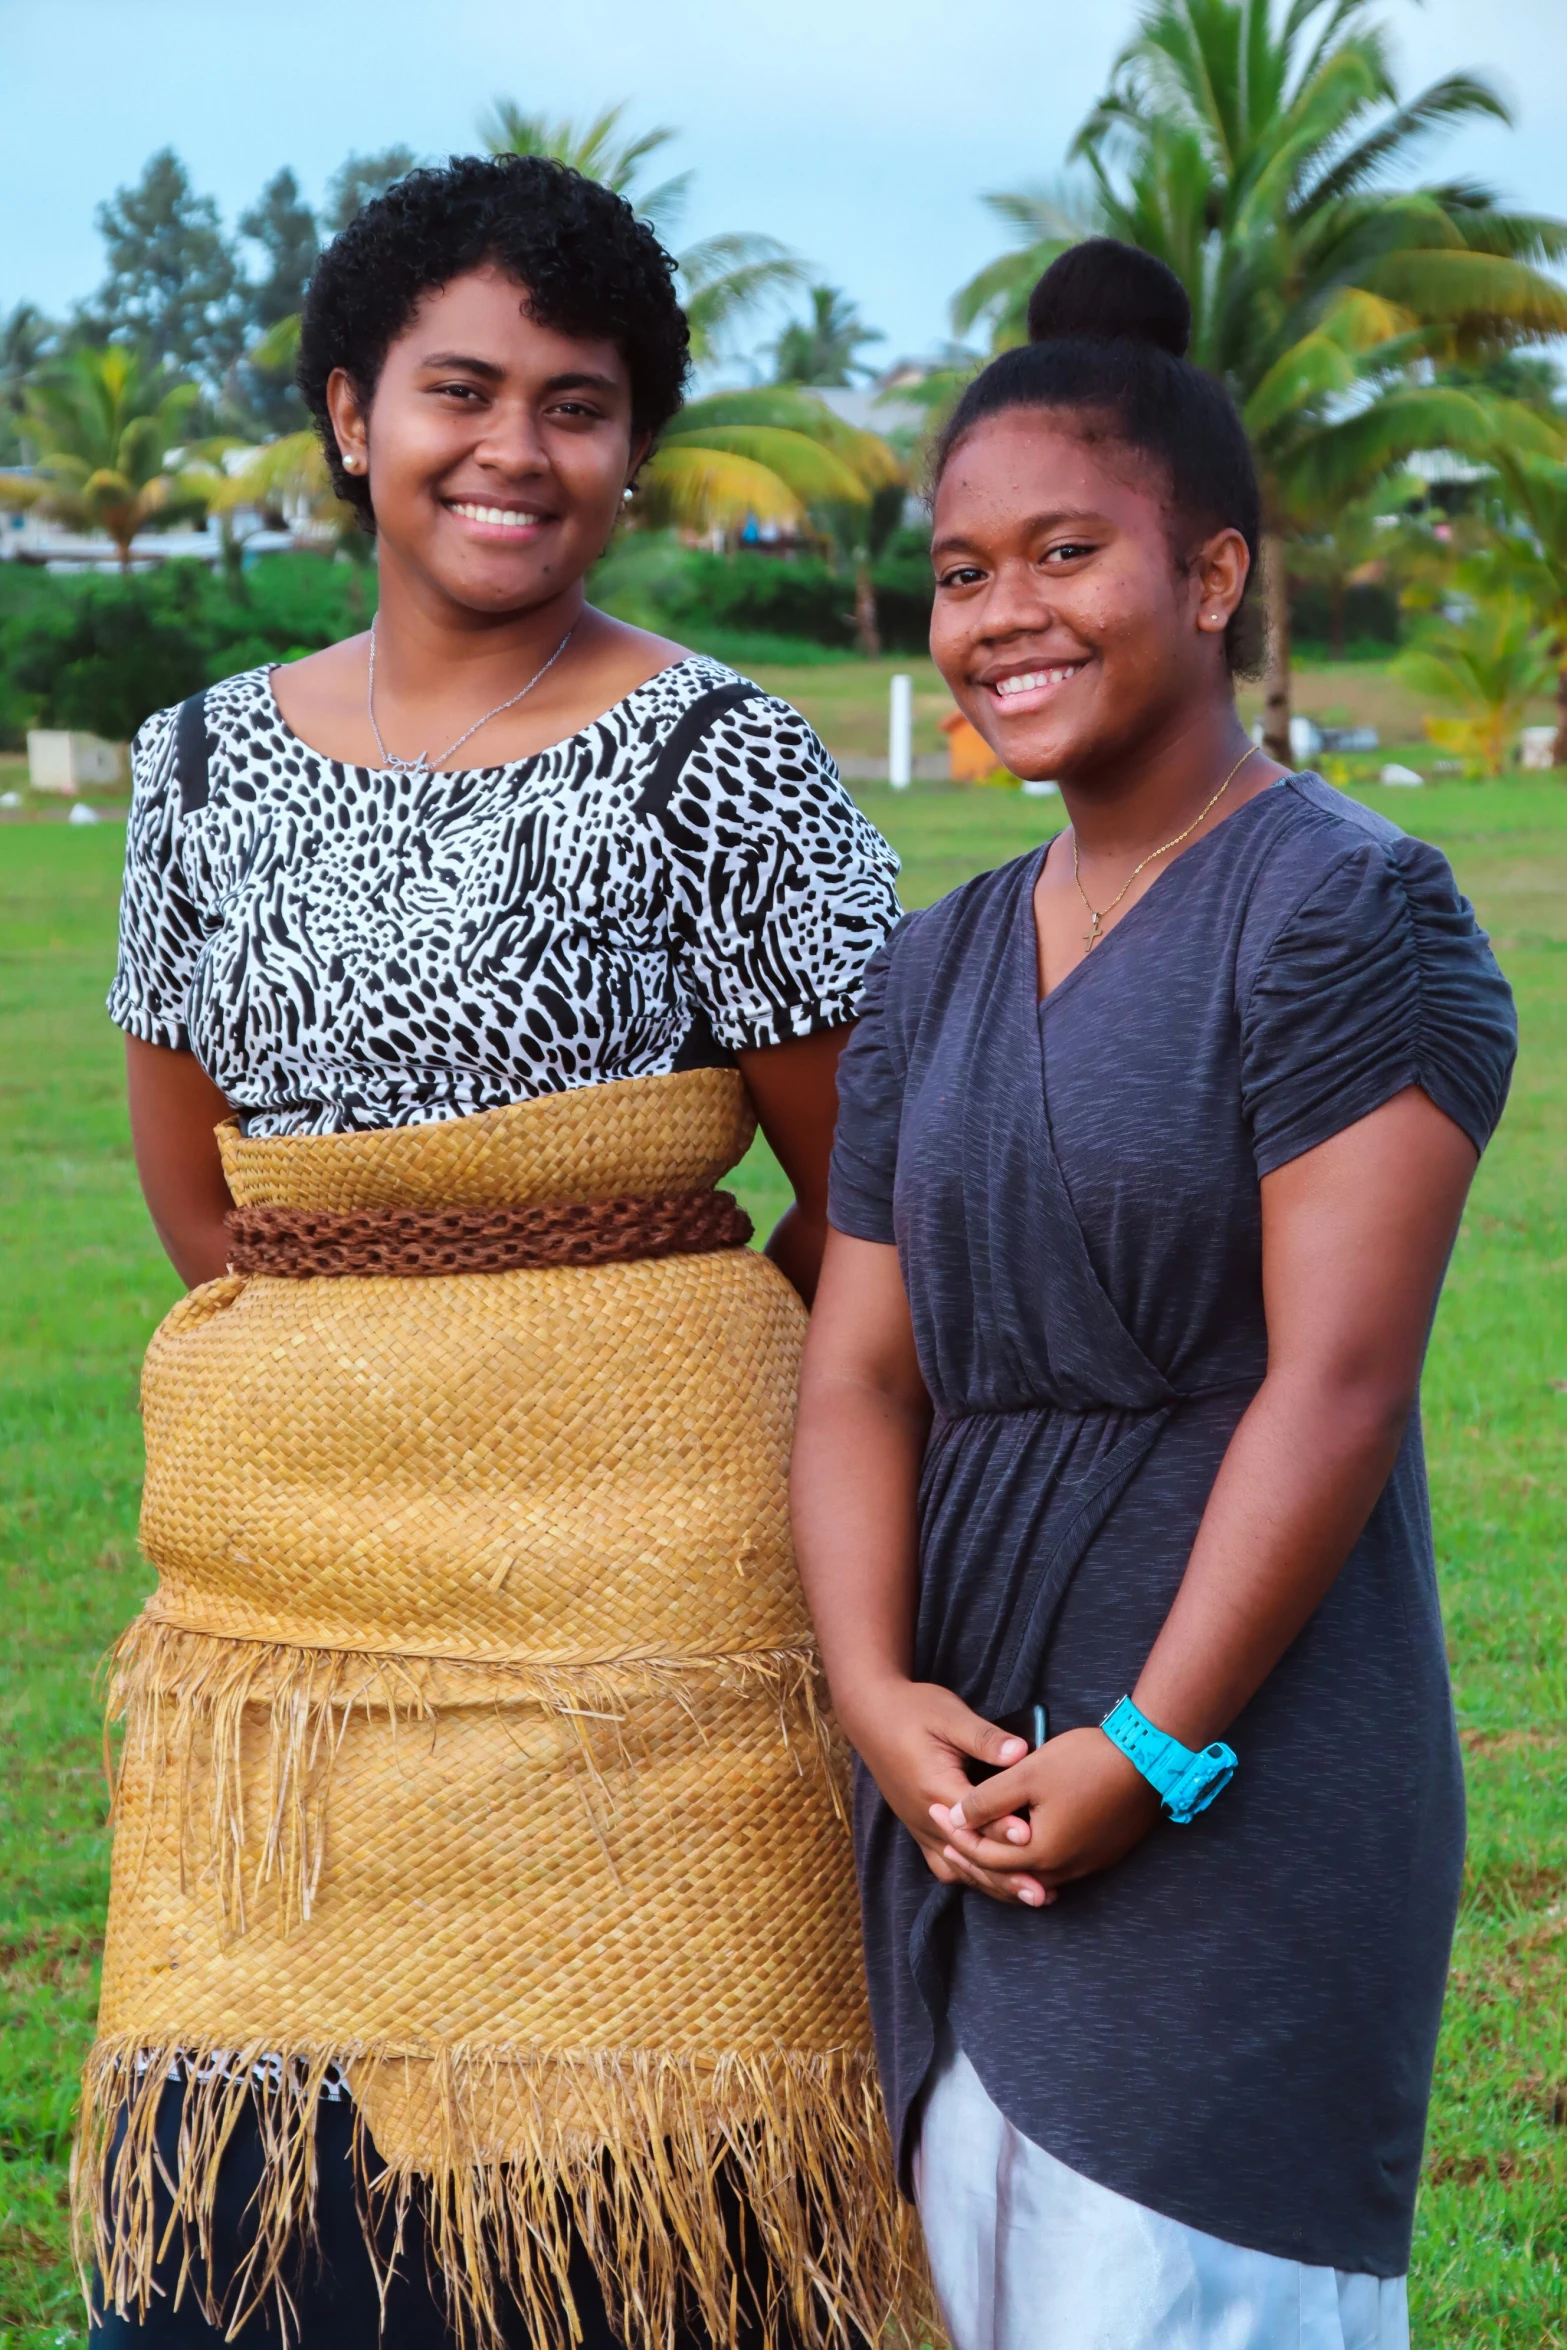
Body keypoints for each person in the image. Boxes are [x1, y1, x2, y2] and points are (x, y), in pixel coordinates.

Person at [85, 154, 912, 2350]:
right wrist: (389, 1388)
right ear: (355, 410)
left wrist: (592, 1417)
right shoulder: (191, 772)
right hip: (296, 1642)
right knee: (256, 2223)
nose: (514, 451)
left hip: (649, 1660)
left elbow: (875, 1202)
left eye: (579, 401)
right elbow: (207, 1195)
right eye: (464, 389)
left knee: (644, 2228)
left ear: (633, 446)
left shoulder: (725, 759)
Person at [790, 240, 1517, 2350]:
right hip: (956, 1762)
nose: (1001, 611)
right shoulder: (937, 955)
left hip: (1234, 1764)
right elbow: (857, 1367)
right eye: (958, 569)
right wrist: (864, 1681)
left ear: (1211, 577)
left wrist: (1156, 1748)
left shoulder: (1346, 910)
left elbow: (1336, 1386)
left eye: (1065, 550)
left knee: (1167, 2294)